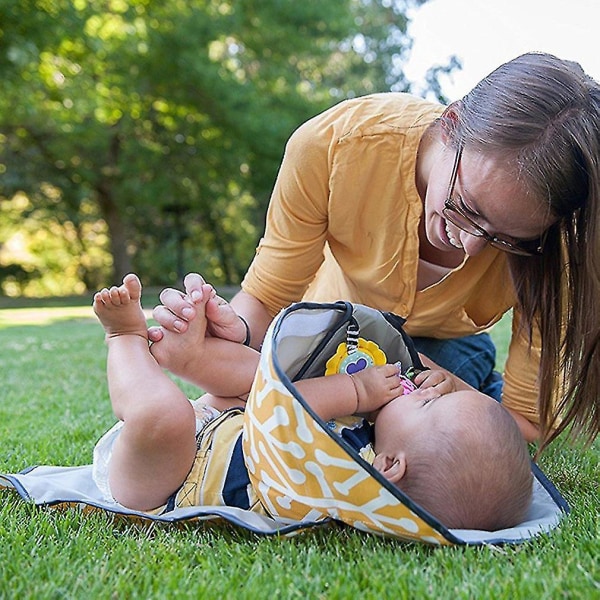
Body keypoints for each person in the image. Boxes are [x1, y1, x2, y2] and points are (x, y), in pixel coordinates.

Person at [149, 52, 600, 450]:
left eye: (509, 239)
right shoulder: (332, 147)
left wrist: (461, 393)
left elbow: (525, 425)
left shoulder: (556, 242)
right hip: (322, 328)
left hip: (442, 351)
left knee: (400, 429)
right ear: (453, 123)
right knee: (295, 381)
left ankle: (471, 373)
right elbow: (267, 299)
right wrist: (236, 329)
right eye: (467, 208)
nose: (472, 245)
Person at [91, 274, 532, 530]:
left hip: (164, 480)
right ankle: (193, 357)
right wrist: (437, 385)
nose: (427, 390)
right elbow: (268, 388)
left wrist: (356, 391)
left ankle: (124, 339)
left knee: (163, 415)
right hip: (220, 429)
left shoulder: (346, 485)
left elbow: (281, 407)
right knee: (265, 375)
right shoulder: (372, 437)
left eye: (428, 404)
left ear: (390, 467)